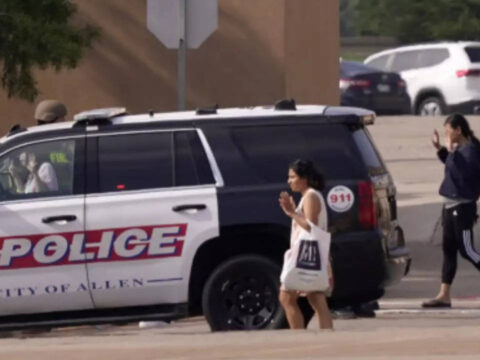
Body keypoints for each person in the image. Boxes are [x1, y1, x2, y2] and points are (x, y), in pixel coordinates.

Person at [423, 113, 480, 308]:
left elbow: (459, 172)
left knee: (467, 250)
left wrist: (449, 149)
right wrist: (440, 149)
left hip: (462, 207)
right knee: (448, 250)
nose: (447, 134)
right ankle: (444, 295)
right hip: (448, 206)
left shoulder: (471, 151)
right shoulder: (460, 151)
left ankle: (444, 294)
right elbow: (451, 163)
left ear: (458, 130)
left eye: (448, 131)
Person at [278, 159, 333, 330]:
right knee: (316, 297)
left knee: (287, 297)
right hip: (313, 255)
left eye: (293, 177)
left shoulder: (311, 196)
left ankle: (299, 337)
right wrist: (293, 213)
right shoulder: (308, 197)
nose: (289, 181)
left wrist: (292, 213)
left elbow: (311, 226)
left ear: (304, 178)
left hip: (308, 255)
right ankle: (327, 335)